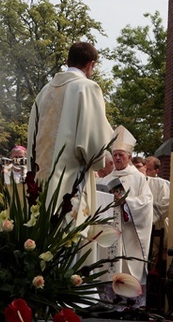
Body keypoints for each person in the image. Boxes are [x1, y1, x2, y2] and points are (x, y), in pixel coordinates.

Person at [27, 42, 113, 229]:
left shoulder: (44, 92)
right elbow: (94, 143)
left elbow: (32, 136)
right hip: (71, 182)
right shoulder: (87, 88)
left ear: (67, 61)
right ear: (91, 64)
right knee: (67, 242)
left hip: (39, 182)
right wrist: (99, 158)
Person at [96, 126, 153, 312]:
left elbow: (146, 203)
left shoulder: (138, 178)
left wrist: (126, 203)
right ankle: (110, 306)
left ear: (129, 156)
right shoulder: (105, 180)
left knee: (127, 268)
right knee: (108, 267)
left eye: (121, 154)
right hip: (109, 233)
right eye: (115, 155)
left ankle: (130, 308)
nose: (118, 158)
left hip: (129, 236)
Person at [143, 156, 170, 262]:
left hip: (157, 224)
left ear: (157, 170)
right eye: (145, 168)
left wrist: (148, 216)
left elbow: (166, 204)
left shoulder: (163, 184)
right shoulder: (139, 180)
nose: (146, 171)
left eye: (148, 169)